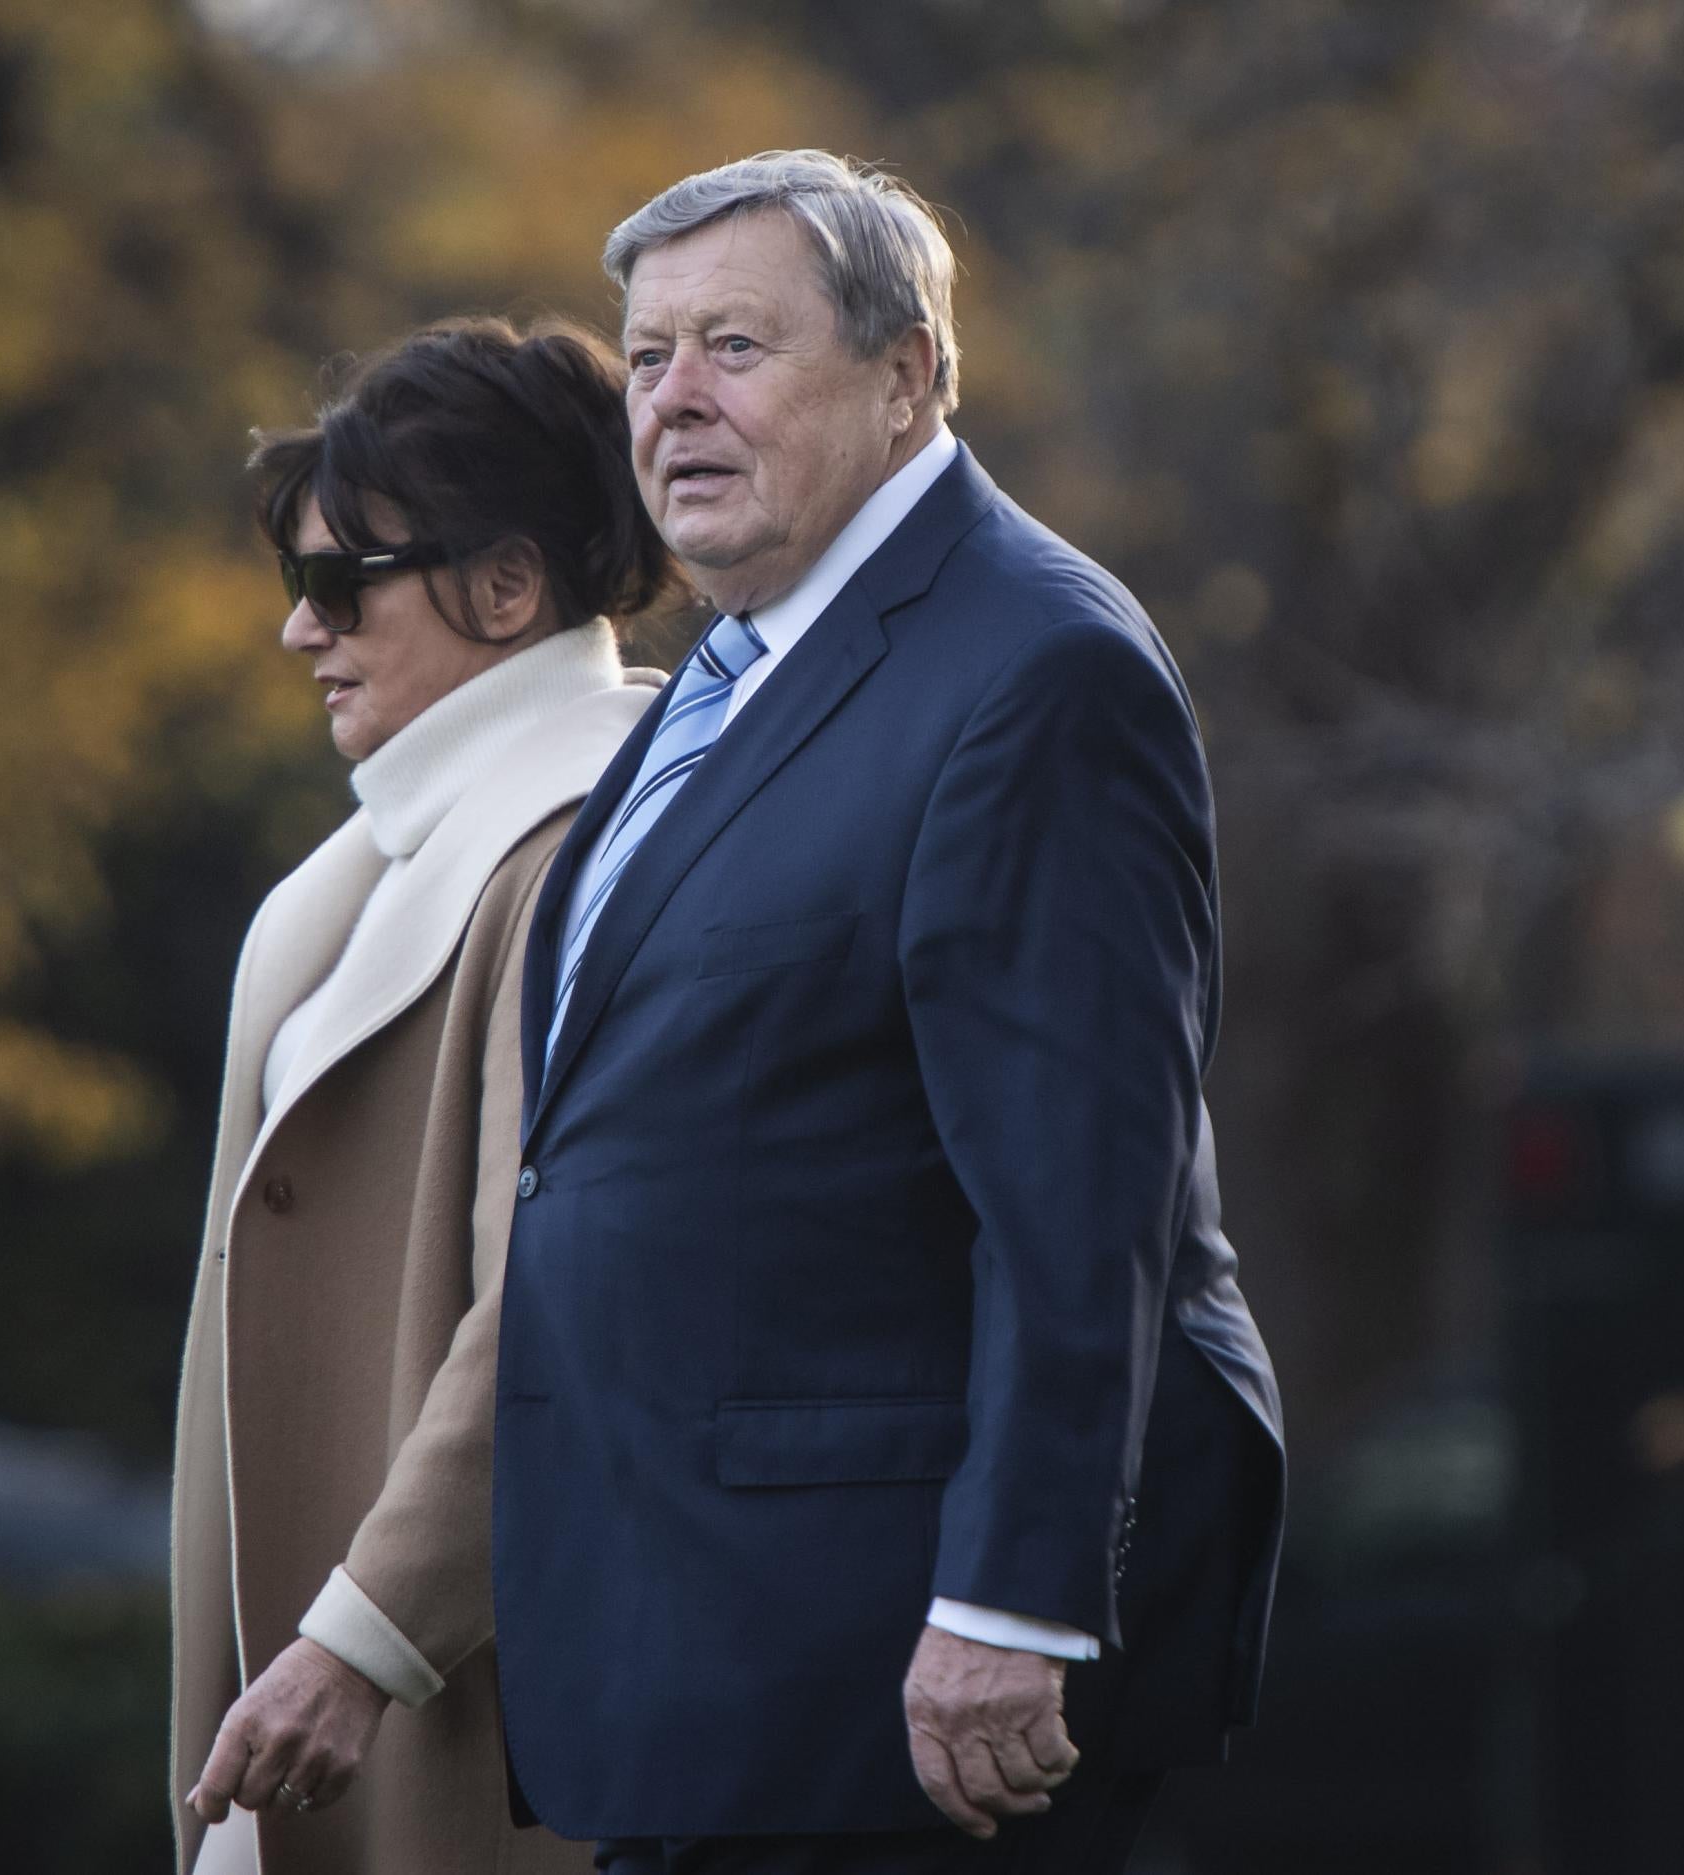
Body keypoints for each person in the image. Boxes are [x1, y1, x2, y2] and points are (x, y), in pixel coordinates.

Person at [489, 152, 1287, 1875]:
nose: (672, 402)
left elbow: (1084, 1204)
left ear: (911, 371)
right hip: (708, 1634)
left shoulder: (1033, 669)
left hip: (900, 1668)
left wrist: (1016, 1596)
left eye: (735, 348)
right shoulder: (740, 653)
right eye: (645, 357)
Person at [169, 316, 672, 1875]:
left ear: (507, 587)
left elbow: (559, 1305)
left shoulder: (593, 845)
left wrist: (366, 1633)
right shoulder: (402, 854)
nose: (298, 635)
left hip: (460, 1706)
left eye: (337, 586)